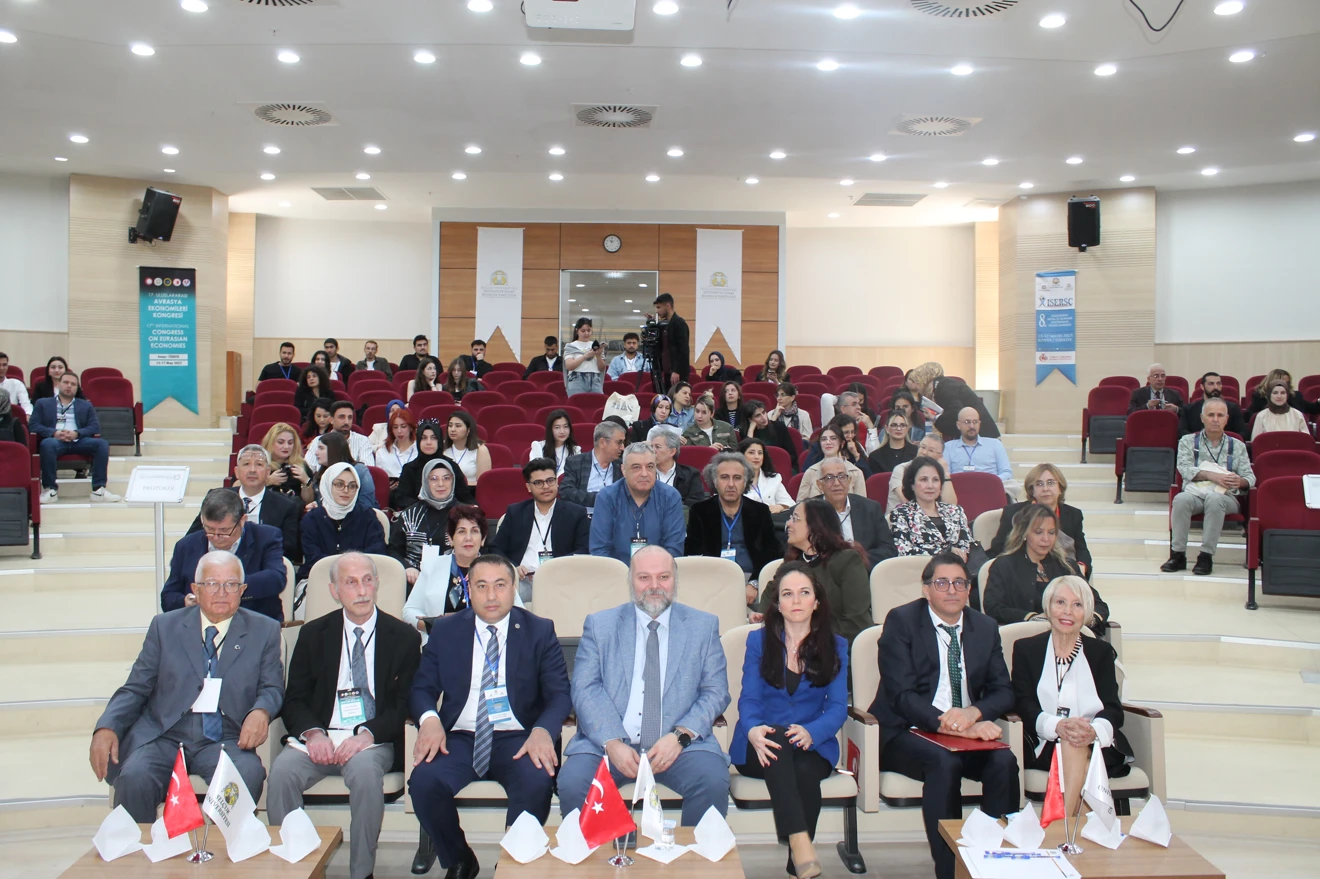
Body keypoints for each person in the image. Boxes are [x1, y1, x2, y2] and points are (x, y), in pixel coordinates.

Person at [89, 549, 284, 824]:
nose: (222, 592)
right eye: (212, 584)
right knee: (135, 777)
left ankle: (220, 848)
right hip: (165, 734)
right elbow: (135, 687)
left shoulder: (264, 630)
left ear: (242, 590)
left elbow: (272, 687)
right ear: (195, 589)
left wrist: (261, 711)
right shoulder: (165, 627)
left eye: (231, 584)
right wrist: (107, 726)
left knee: (245, 776)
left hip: (226, 737)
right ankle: (138, 848)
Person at [409, 555, 571, 879]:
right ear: (469, 590)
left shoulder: (539, 631)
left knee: (537, 780)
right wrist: (429, 720)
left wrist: (542, 731)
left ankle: (511, 863)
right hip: (459, 737)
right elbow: (421, 688)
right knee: (424, 782)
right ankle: (460, 859)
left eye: (500, 585)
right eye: (481, 586)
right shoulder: (446, 630)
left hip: (518, 737)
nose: (492, 595)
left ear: (514, 588)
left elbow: (560, 695)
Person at [267, 553, 420, 879]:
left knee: (365, 775)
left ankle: (361, 873)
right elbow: (294, 700)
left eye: (367, 581)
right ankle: (294, 867)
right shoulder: (313, 634)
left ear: (377, 584)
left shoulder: (404, 637)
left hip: (372, 740)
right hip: (321, 736)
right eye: (351, 583)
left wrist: (367, 734)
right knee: (282, 773)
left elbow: (405, 704)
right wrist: (313, 733)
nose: (361, 591)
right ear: (334, 591)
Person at [868, 553, 1019, 879]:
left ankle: (990, 860)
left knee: (1004, 762)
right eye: (942, 583)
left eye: (959, 583)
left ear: (969, 590)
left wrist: (973, 713)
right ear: (926, 589)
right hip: (906, 731)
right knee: (943, 762)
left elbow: (1004, 691)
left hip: (965, 731)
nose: (952, 590)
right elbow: (902, 696)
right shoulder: (902, 621)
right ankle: (950, 870)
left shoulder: (985, 627)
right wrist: (953, 727)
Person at [558, 546, 731, 825]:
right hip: (609, 743)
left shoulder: (703, 626)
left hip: (680, 745)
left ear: (675, 580)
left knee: (712, 780)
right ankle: (607, 851)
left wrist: (680, 736)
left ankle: (692, 852)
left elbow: (716, 691)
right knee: (574, 782)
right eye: (644, 578)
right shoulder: (600, 625)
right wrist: (612, 742)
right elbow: (585, 689)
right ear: (630, 581)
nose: (654, 586)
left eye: (663, 577)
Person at [732, 562, 847, 879]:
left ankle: (796, 865)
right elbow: (749, 699)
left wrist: (812, 732)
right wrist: (753, 729)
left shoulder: (837, 646)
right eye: (787, 594)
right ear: (778, 604)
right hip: (760, 746)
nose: (796, 601)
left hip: (812, 744)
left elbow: (838, 707)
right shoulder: (758, 642)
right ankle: (800, 843)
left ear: (817, 601)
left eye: (804, 593)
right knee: (778, 738)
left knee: (805, 773)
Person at [1012, 575, 1132, 819]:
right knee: (1073, 744)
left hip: (1096, 743)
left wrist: (1092, 731)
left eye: (1077, 604)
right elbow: (1022, 702)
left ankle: (1061, 828)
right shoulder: (1026, 649)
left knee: (1075, 742)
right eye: (1060, 603)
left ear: (1086, 612)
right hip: (1043, 743)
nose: (1068, 611)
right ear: (1048, 607)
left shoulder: (1100, 652)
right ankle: (1074, 831)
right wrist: (1057, 725)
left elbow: (1112, 707)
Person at [1164, 397, 1256, 575]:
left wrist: (1240, 481)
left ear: (1226, 419)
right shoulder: (1187, 441)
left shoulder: (1237, 445)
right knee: (1181, 499)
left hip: (1226, 497)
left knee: (1214, 499)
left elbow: (1249, 477)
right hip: (1196, 494)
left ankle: (1206, 556)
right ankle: (1178, 554)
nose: (1215, 419)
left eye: (1220, 415)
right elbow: (1184, 469)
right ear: (1202, 418)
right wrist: (1211, 475)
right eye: (1211, 415)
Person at [164, 488, 286, 619]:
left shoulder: (266, 537)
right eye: (209, 529)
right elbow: (168, 596)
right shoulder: (186, 545)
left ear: (242, 521)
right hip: (199, 623)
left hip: (252, 620)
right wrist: (185, 602)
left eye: (224, 531)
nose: (216, 537)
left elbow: (276, 578)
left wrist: (228, 586)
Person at [763, 500, 871, 645]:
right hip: (792, 646)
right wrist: (760, 616)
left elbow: (856, 622)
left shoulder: (847, 560)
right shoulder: (792, 562)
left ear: (815, 525)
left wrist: (809, 639)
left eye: (795, 519)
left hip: (837, 646)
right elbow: (769, 599)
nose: (788, 524)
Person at [984, 504, 1109, 626]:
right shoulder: (1004, 565)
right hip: (1023, 634)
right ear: (1024, 533)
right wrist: (1031, 618)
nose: (1046, 539)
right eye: (1038, 532)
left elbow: (1098, 605)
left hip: (1069, 633)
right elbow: (993, 607)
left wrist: (1088, 621)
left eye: (1051, 532)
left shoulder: (1066, 566)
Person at [686, 452, 781, 604]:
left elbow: (771, 551)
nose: (731, 484)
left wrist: (754, 583)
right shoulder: (700, 511)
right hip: (713, 579)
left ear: (745, 482)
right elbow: (693, 552)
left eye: (737, 478)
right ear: (715, 481)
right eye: (724, 477)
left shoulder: (760, 511)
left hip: (751, 578)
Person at [491, 458, 591, 603]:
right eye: (538, 483)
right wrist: (513, 567)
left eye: (550, 480)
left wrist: (556, 567)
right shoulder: (516, 512)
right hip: (522, 580)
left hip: (561, 580)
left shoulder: (576, 513)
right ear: (528, 487)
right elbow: (496, 549)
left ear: (557, 482)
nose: (546, 486)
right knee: (504, 598)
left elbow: (584, 550)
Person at [187, 445, 301, 565]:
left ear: (268, 472)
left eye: (259, 464)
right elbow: (193, 536)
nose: (252, 470)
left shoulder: (286, 506)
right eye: (246, 464)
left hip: (261, 564)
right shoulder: (217, 496)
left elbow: (288, 549)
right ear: (236, 472)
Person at [402, 504, 500, 629]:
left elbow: (515, 610)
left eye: (474, 531)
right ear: (450, 538)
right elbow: (409, 610)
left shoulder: (497, 569)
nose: (468, 538)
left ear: (483, 539)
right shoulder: (432, 567)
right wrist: (432, 626)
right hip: (441, 635)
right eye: (461, 531)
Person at [31, 371, 120, 503]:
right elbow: (33, 425)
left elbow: (95, 427)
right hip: (55, 441)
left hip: (79, 441)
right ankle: (50, 489)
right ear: (58, 384)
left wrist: (76, 433)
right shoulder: (43, 403)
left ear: (77, 388)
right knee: (47, 444)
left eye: (73, 384)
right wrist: (54, 433)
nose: (69, 386)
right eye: (66, 382)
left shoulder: (85, 405)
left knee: (102, 444)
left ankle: (98, 490)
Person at [989, 463, 1092, 576]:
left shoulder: (1073, 514)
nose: (1045, 489)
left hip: (1062, 571)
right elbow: (999, 548)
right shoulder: (1014, 513)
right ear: (1032, 490)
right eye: (1039, 484)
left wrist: (1082, 566)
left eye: (1050, 483)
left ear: (1060, 488)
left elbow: (1081, 549)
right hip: (1021, 571)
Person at [589, 441, 685, 563]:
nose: (644, 474)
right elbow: (599, 549)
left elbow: (674, 548)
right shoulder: (607, 497)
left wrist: (651, 572)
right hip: (616, 571)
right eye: (636, 467)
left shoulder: (670, 497)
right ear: (624, 470)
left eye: (650, 467)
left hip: (658, 571)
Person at [299, 463, 388, 580]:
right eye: (339, 484)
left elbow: (377, 550)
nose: (346, 490)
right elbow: (313, 557)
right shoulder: (312, 519)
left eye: (352, 486)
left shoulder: (367, 516)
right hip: (321, 577)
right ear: (328, 485)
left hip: (361, 577)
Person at [389, 458, 467, 590]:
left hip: (456, 581)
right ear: (425, 482)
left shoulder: (466, 515)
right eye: (434, 479)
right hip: (415, 581)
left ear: (453, 481)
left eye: (446, 478)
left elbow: (481, 551)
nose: (441, 484)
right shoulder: (409, 515)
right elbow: (393, 550)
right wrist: (407, 568)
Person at [812, 457, 896, 573]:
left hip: (863, 573)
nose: (837, 483)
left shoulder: (870, 509)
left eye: (842, 477)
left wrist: (857, 560)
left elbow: (888, 550)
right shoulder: (809, 511)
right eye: (829, 478)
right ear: (819, 485)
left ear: (850, 480)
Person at [888, 456, 972, 560]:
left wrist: (961, 554)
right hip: (920, 568)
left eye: (935, 480)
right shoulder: (901, 514)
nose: (930, 486)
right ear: (912, 484)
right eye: (924, 480)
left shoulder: (955, 511)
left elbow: (968, 545)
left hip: (959, 567)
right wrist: (947, 553)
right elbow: (905, 551)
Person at [907, 361, 1001, 441]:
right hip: (983, 435)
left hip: (983, 438)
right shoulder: (945, 384)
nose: (919, 390)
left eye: (918, 383)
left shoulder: (943, 388)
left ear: (924, 380)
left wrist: (935, 419)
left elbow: (955, 415)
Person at [945, 406, 1022, 501]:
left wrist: (988, 482)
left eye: (975, 422)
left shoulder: (995, 444)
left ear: (979, 424)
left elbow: (1006, 472)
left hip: (990, 489)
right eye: (967, 422)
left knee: (1012, 485)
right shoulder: (948, 447)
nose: (972, 426)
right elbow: (946, 474)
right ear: (958, 425)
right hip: (960, 490)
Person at [559, 421, 625, 510]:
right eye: (619, 442)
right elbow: (566, 491)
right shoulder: (576, 463)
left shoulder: (622, 466)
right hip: (584, 516)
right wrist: (601, 498)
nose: (622, 447)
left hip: (614, 517)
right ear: (602, 442)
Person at [308, 431, 378, 510]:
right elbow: (322, 501)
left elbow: (366, 505)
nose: (316, 453)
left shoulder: (359, 471)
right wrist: (316, 505)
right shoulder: (322, 473)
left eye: (321, 448)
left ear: (333, 450)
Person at [889, 433, 958, 511]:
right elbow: (905, 500)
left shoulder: (939, 473)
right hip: (903, 514)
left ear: (940, 457)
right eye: (923, 447)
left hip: (933, 515)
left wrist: (945, 474)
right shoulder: (901, 469)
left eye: (931, 450)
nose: (924, 452)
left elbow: (951, 506)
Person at [305, 400, 376, 477]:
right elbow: (307, 470)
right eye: (341, 417)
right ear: (331, 420)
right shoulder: (318, 441)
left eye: (350, 417)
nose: (346, 422)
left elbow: (367, 471)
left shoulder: (363, 441)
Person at [797, 424, 865, 501]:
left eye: (833, 438)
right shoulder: (810, 472)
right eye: (824, 439)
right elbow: (800, 503)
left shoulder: (856, 473)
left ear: (842, 443)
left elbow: (862, 504)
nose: (828, 442)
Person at [649, 426, 707, 508]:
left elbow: (696, 504)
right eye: (651, 447)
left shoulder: (691, 474)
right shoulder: (645, 473)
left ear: (672, 452)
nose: (652, 451)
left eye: (657, 447)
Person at [393, 420, 444, 510]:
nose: (428, 442)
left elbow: (463, 498)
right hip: (418, 513)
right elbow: (402, 499)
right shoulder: (410, 469)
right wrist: (426, 507)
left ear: (439, 440)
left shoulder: (451, 466)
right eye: (423, 438)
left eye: (433, 438)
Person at [1179, 371, 1248, 436]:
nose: (1216, 387)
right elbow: (1182, 432)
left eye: (1218, 383)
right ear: (1202, 387)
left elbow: (1244, 433)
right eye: (1211, 384)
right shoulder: (1189, 409)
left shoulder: (1233, 408)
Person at [742, 399, 801, 475]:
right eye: (758, 415)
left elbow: (792, 454)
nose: (763, 417)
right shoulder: (746, 432)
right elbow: (745, 457)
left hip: (781, 465)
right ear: (750, 419)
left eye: (764, 412)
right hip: (757, 468)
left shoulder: (779, 427)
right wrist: (751, 430)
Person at [261, 422, 313, 501]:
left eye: (290, 443)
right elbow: (246, 492)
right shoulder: (260, 464)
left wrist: (306, 481)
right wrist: (268, 481)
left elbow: (308, 502)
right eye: (280, 442)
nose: (286, 447)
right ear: (270, 443)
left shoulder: (301, 465)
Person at [741, 437, 794, 513]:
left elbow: (790, 504)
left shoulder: (773, 479)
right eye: (751, 453)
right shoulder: (733, 480)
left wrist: (780, 507)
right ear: (741, 456)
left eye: (760, 453)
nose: (757, 457)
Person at [650, 292, 691, 389]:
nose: (657, 311)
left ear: (668, 306)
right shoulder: (664, 325)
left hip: (676, 373)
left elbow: (683, 350)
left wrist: (676, 371)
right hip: (666, 372)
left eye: (659, 307)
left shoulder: (679, 323)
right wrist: (652, 325)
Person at [442, 411, 491, 487]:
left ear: (468, 430)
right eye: (450, 425)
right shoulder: (442, 446)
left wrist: (458, 485)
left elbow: (483, 483)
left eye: (458, 426)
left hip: (470, 490)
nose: (452, 429)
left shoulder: (480, 450)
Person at [1245, 368, 1314, 418]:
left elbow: (1312, 408)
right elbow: (1249, 416)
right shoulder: (1260, 396)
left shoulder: (1294, 396)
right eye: (1282, 382)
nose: (1285, 385)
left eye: (1287, 383)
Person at [563, 317, 606, 396]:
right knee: (577, 402)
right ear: (577, 331)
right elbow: (569, 366)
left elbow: (602, 368)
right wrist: (585, 356)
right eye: (583, 331)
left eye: (589, 330)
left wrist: (598, 356)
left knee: (598, 402)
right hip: (576, 379)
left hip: (595, 379)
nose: (586, 333)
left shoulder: (596, 345)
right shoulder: (571, 346)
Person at [528, 408, 579, 474]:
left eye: (565, 426)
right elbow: (534, 473)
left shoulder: (575, 450)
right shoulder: (539, 447)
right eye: (557, 427)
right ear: (550, 430)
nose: (562, 431)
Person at [374, 405, 418, 479]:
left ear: (410, 428)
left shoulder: (420, 450)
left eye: (403, 426)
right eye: (395, 427)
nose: (399, 431)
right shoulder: (382, 452)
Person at [0, 352, 32, 416]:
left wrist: (28, 415)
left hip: (11, 419)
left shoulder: (17, 384)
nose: (1, 368)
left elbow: (26, 405)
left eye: (4, 365)